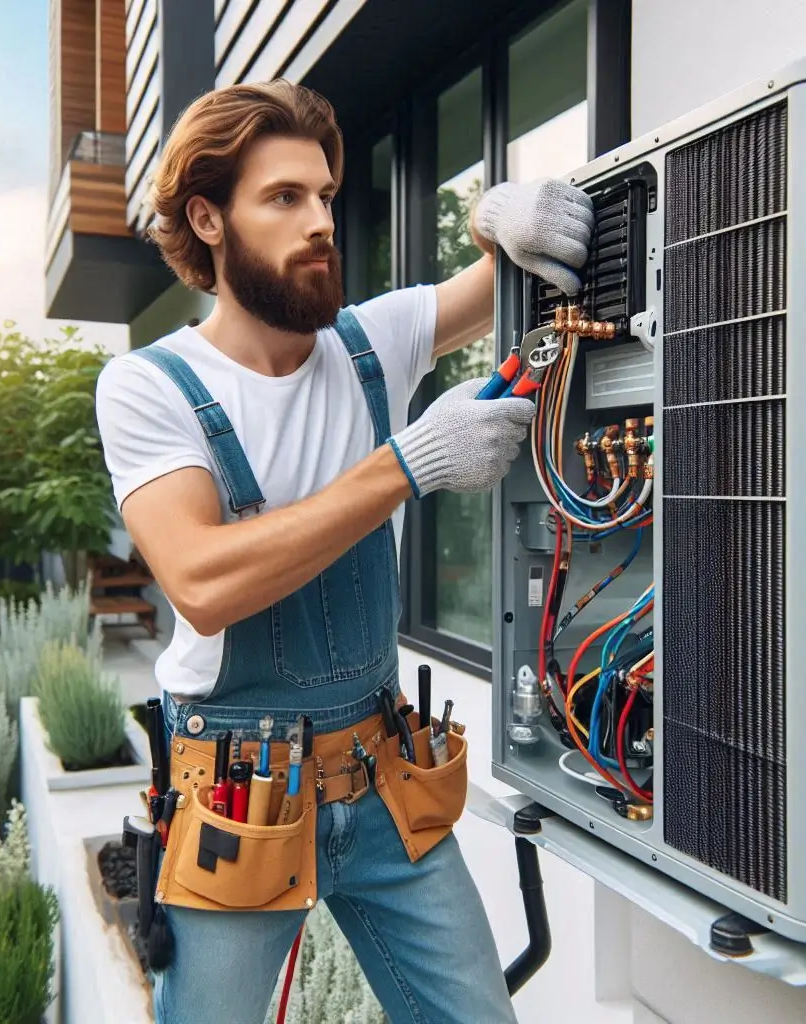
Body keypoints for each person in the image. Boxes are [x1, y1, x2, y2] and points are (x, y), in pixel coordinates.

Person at [95, 79, 594, 1024]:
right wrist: (405, 464)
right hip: (235, 793)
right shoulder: (149, 386)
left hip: (381, 776)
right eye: (284, 198)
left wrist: (504, 215)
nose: (320, 220)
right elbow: (202, 581)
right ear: (207, 218)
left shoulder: (374, 341)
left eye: (325, 195)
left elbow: (538, 257)